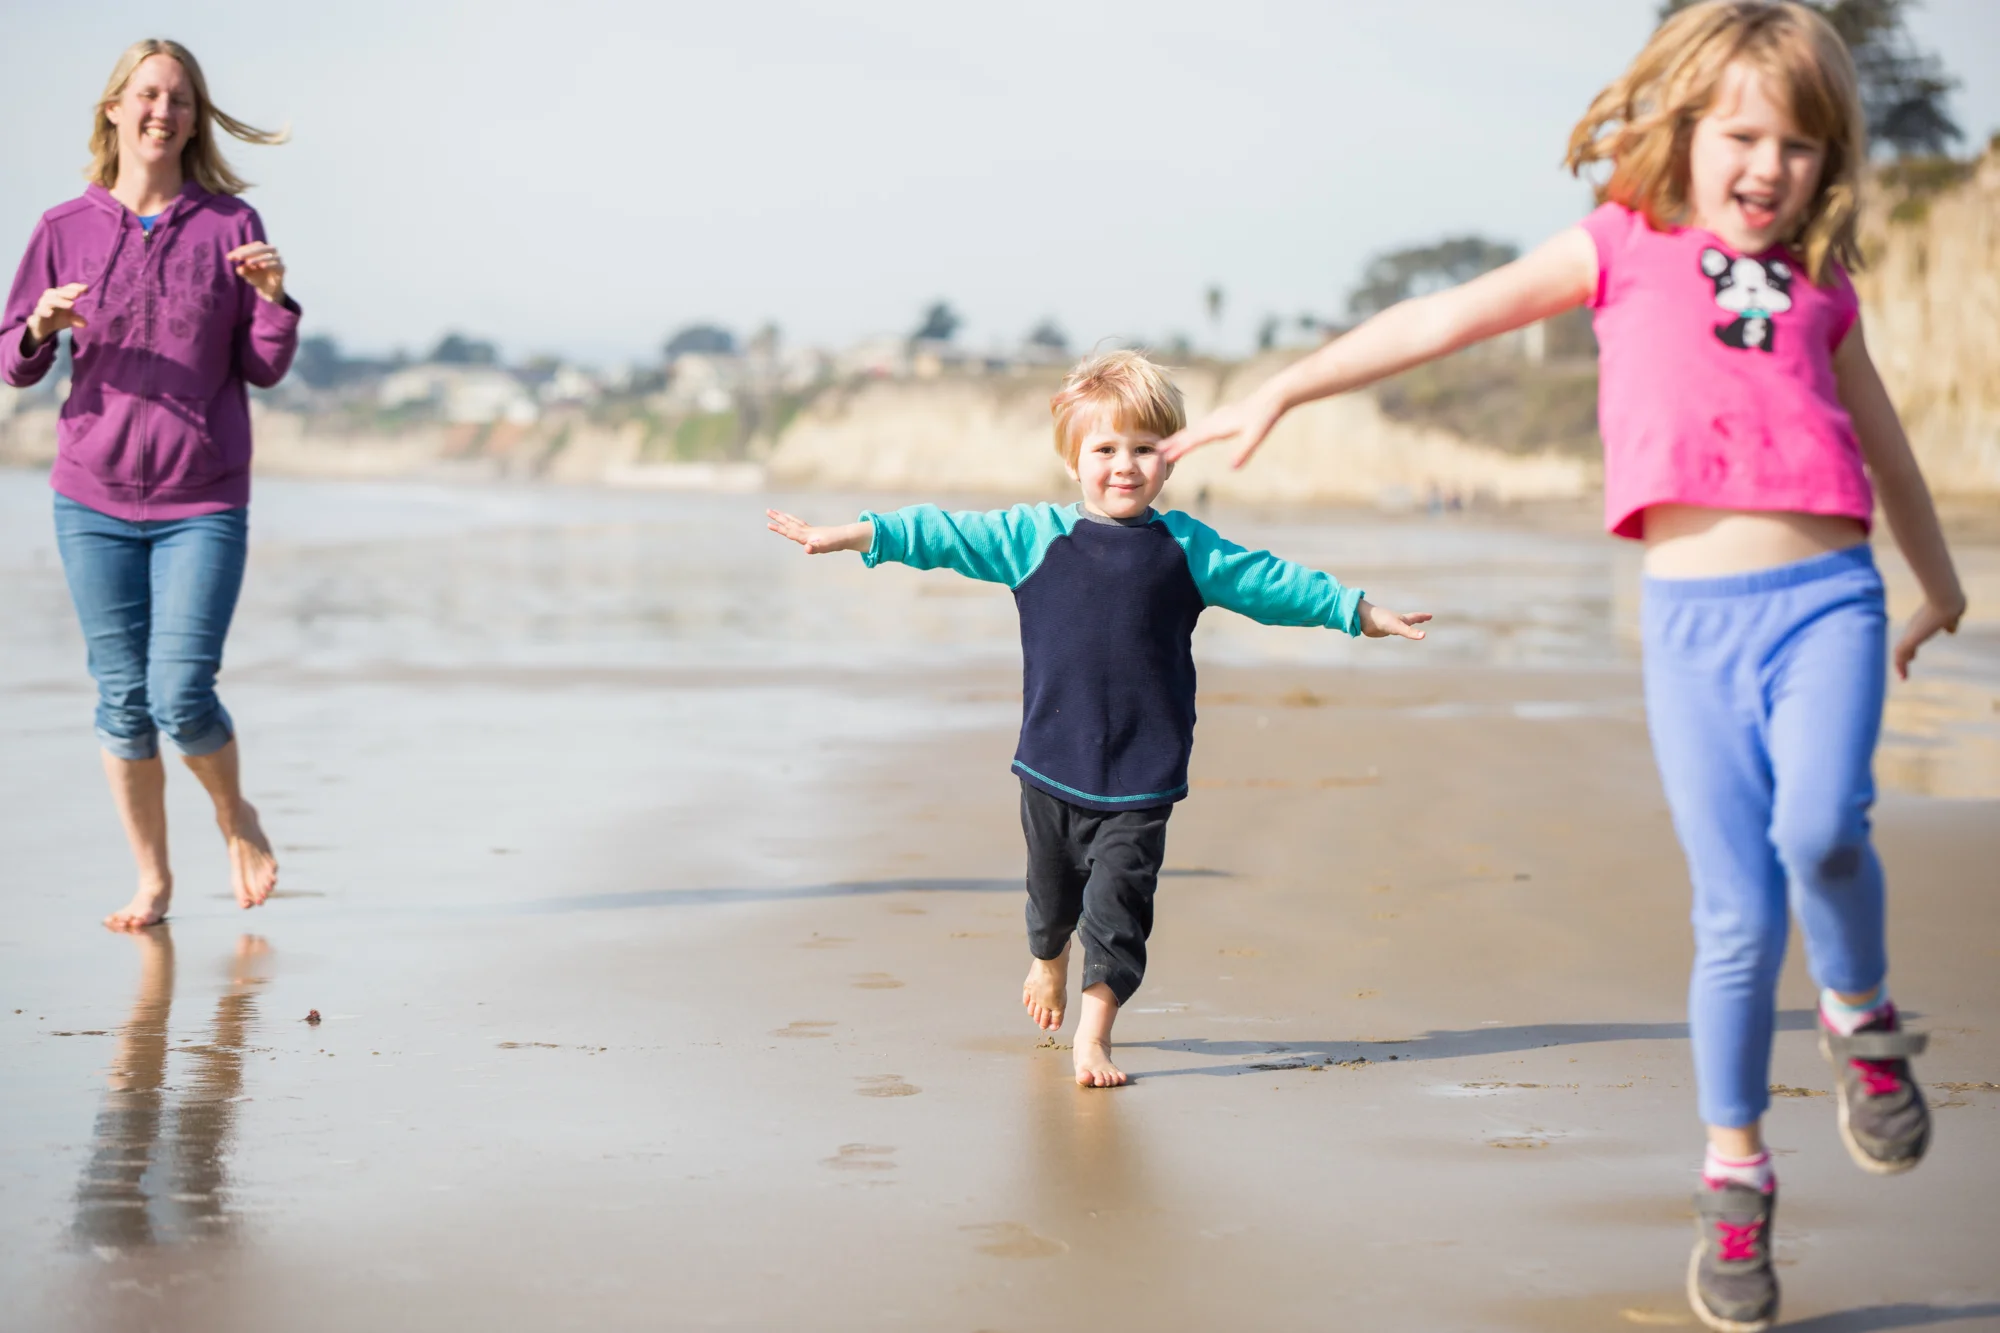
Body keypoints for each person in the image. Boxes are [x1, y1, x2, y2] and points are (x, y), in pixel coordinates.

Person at [1158, 4, 1965, 1328]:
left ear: (1832, 161)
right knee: (1735, 917)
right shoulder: (1621, 248)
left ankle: (1863, 1018)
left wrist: (1939, 586)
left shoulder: (1828, 290)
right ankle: (1735, 1179)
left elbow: (1888, 450)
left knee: (1824, 833)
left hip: (1831, 599)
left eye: (1804, 144)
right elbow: (1444, 317)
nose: (1771, 166)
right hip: (1693, 622)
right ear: (1687, 131)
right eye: (1746, 135)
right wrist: (1290, 387)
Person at [767, 350, 1430, 1087]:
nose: (1125, 465)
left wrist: (1358, 611)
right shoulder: (1033, 537)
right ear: (1073, 458)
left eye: (1145, 449)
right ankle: (1046, 959)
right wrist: (853, 535)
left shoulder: (1188, 549)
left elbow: (1271, 582)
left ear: (1170, 460)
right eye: (1106, 449)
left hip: (1144, 776)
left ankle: (1094, 1036)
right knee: (1051, 903)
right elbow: (942, 534)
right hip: (1052, 765)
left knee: (1118, 911)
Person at [1, 39, 300, 932]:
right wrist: (39, 328)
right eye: (147, 95)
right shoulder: (63, 228)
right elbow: (14, 364)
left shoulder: (230, 228)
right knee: (120, 698)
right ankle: (152, 880)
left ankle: (233, 815)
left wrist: (277, 300)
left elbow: (261, 365)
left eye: (178, 98)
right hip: (89, 496)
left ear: (192, 118)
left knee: (179, 691)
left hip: (202, 497)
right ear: (113, 110)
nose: (162, 110)